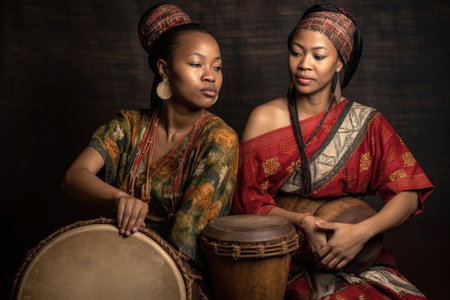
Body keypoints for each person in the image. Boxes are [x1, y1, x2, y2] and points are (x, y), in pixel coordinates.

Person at [232, 2, 433, 299]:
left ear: (339, 63)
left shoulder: (366, 123)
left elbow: (408, 191)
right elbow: (244, 201)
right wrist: (302, 222)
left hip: (357, 258)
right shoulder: (264, 118)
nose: (304, 64)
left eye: (318, 55)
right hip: (281, 257)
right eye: (296, 52)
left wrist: (362, 232)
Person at [62, 1, 238, 282]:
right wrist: (120, 197)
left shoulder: (219, 139)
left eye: (217, 67)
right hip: (113, 256)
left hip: (174, 275)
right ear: (164, 70)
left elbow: (187, 234)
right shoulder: (129, 126)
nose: (210, 76)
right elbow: (74, 177)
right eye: (196, 64)